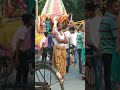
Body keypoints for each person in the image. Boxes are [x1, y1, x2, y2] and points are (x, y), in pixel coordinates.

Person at [99, 0, 119, 90]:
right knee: (113, 78)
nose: (119, 8)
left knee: (107, 77)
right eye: (116, 6)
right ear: (110, 8)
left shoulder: (103, 18)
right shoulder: (112, 20)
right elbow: (117, 38)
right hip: (112, 52)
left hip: (105, 51)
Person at [11, 14, 33, 83]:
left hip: (21, 52)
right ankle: (21, 86)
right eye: (32, 19)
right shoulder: (23, 30)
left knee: (22, 72)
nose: (32, 21)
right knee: (22, 72)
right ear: (29, 20)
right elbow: (18, 44)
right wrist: (17, 58)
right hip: (19, 53)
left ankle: (20, 85)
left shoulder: (24, 28)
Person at [85, 3, 102, 90]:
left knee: (95, 70)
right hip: (93, 49)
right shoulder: (92, 21)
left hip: (94, 48)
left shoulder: (95, 21)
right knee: (94, 70)